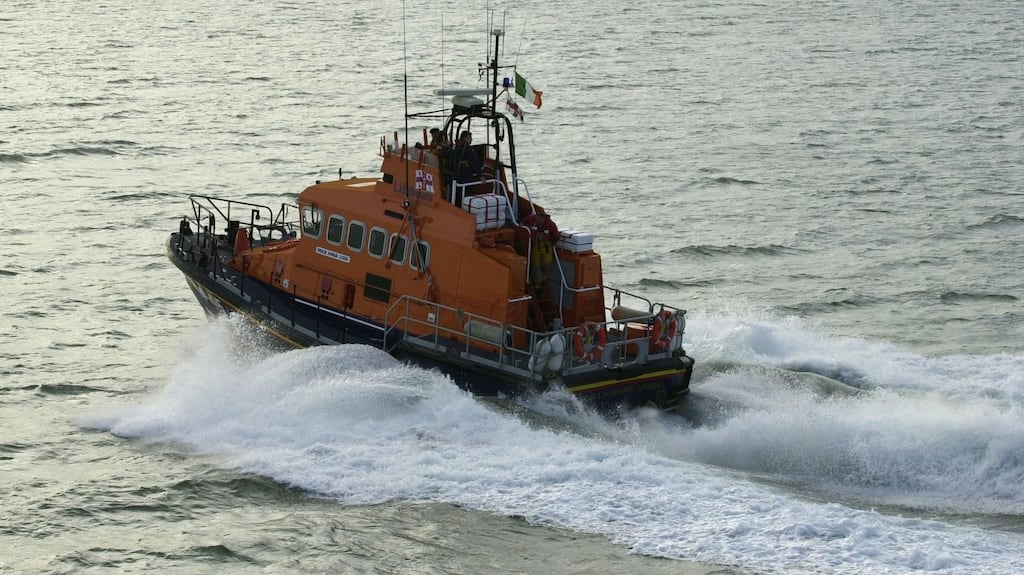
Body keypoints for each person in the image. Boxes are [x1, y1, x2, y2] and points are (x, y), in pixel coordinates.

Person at [450, 130, 482, 204]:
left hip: (455, 174)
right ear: (465, 138)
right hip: (465, 176)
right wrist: (480, 175)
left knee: (457, 194)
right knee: (465, 194)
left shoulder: (455, 146)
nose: (471, 139)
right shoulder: (468, 150)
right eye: (470, 137)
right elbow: (474, 163)